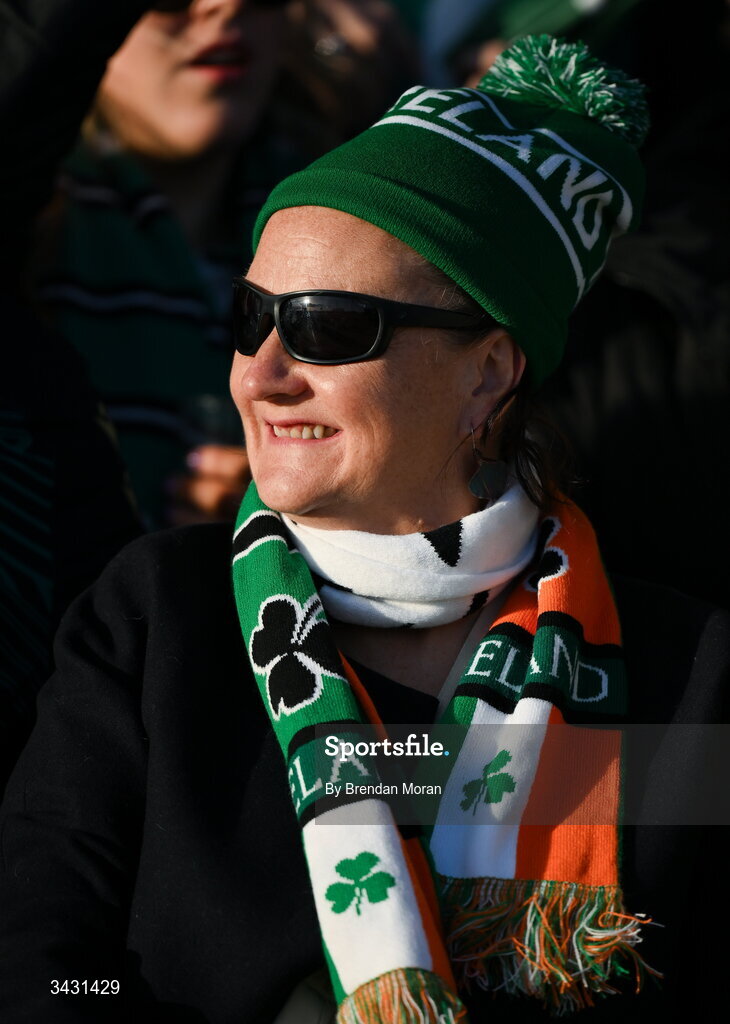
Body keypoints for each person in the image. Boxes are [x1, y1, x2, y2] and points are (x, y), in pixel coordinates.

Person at [1, 33, 729, 1024]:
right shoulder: (156, 616)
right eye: (251, 316)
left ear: (489, 372)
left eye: (326, 326)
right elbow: (46, 968)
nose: (262, 373)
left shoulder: (681, 670)